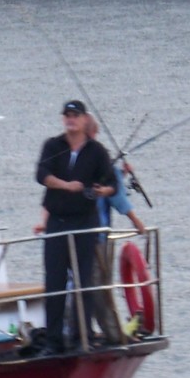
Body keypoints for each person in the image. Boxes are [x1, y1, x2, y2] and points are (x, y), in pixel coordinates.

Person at [35, 99, 116, 353]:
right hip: (58, 222)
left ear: (84, 120)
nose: (71, 119)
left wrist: (101, 191)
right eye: (67, 115)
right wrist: (65, 185)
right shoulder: (52, 145)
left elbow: (112, 182)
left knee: (84, 281)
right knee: (55, 281)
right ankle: (54, 340)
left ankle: (83, 336)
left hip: (84, 221)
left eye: (75, 115)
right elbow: (41, 175)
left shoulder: (97, 151)